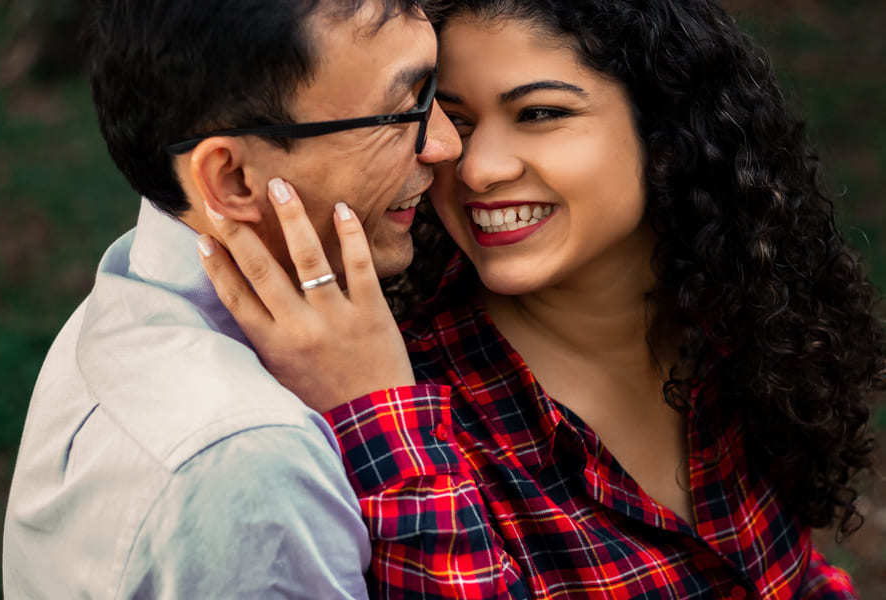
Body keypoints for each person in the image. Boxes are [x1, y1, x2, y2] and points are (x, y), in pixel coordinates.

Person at [199, 0, 885, 597]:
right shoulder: (406, 417)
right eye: (456, 121)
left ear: (669, 133)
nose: (476, 167)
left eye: (539, 113)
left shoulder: (735, 323)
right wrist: (388, 434)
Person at [2, 0, 461, 597]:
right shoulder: (252, 463)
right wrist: (384, 419)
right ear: (232, 180)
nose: (445, 144)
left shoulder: (133, 284)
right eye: (403, 113)